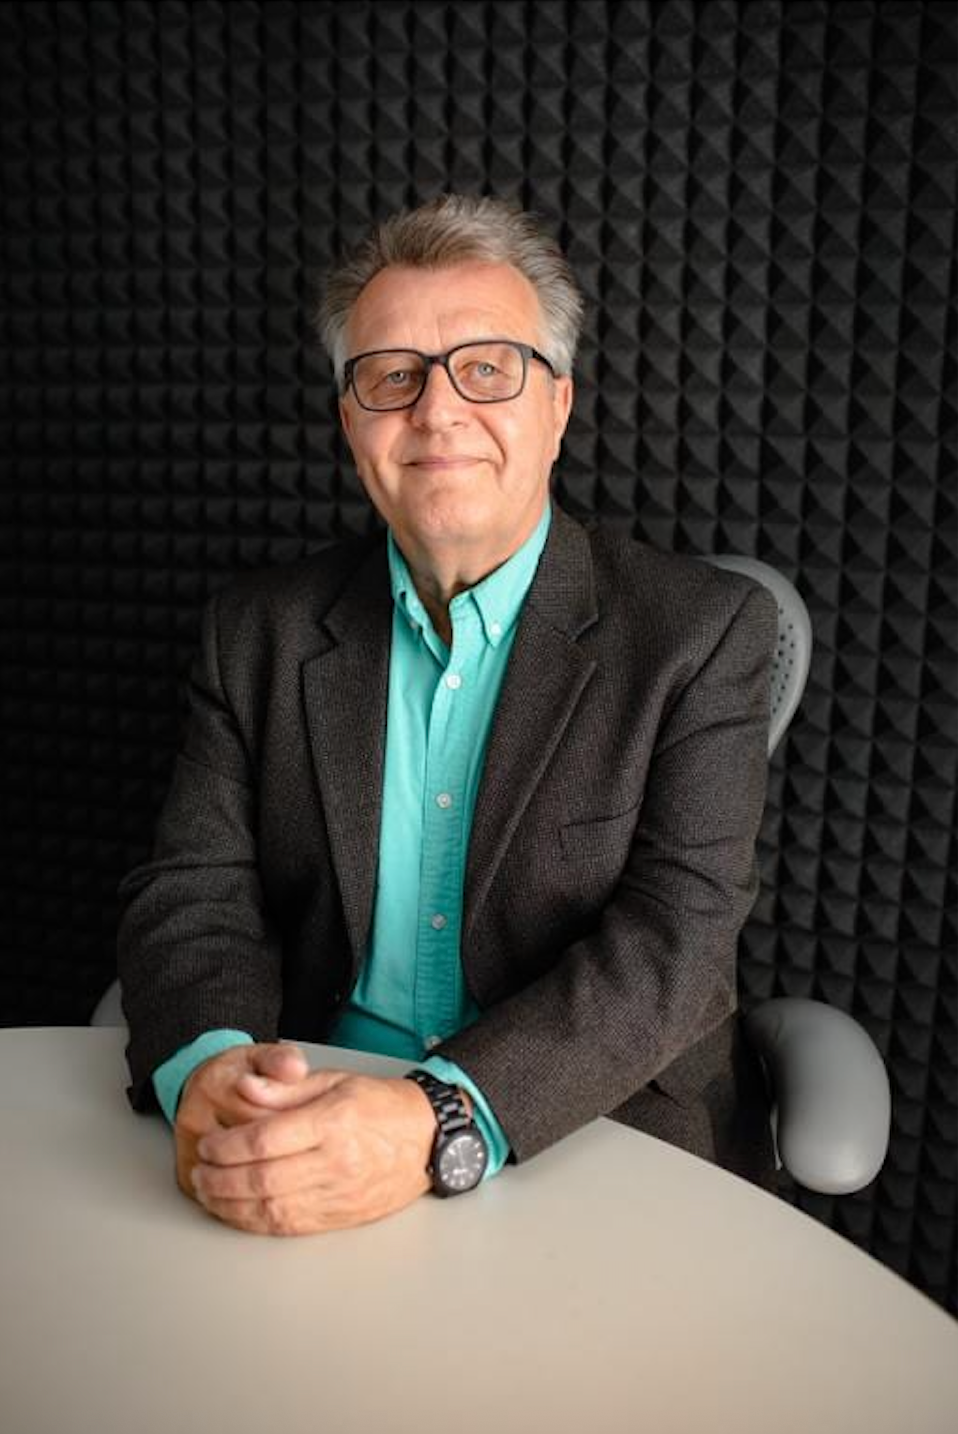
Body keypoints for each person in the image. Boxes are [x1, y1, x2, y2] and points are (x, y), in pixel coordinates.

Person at [117, 193, 778, 1236]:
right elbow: (194, 890)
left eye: (488, 368)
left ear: (558, 406)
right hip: (311, 1109)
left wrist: (437, 1117)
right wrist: (210, 1068)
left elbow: (676, 944)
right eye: (393, 376)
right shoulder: (257, 630)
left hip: (588, 1134)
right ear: (351, 420)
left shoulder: (698, 633)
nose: (436, 411)